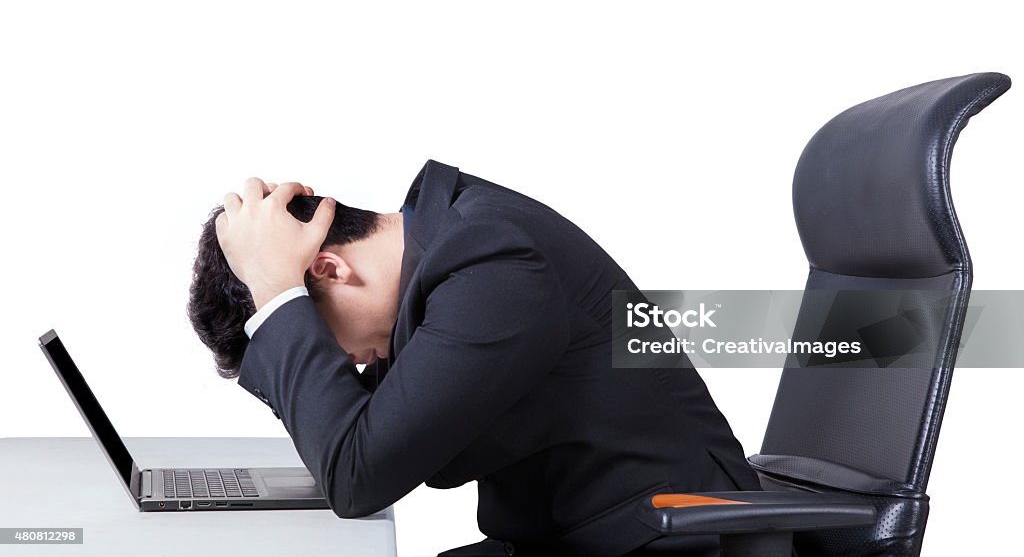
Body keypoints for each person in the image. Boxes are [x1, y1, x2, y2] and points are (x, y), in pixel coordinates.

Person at [187, 159, 761, 556]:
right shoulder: (444, 264)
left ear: (328, 269)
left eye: (330, 345)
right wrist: (281, 297)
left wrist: (274, 289)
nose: (349, 364)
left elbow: (355, 476)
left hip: (671, 543)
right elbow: (353, 437)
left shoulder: (492, 266)